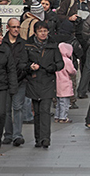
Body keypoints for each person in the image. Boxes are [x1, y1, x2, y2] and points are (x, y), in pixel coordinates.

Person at [24, 21, 64, 149]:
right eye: (40, 31)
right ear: (35, 32)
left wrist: (52, 67)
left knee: (45, 110)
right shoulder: (28, 45)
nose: (43, 33)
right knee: (37, 112)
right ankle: (38, 138)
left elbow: (60, 63)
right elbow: (22, 63)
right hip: (34, 80)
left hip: (48, 80)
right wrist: (30, 67)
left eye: (45, 31)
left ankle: (46, 138)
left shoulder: (53, 45)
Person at [1, 18, 29, 147]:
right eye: (13, 27)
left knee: (18, 107)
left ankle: (17, 135)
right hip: (5, 81)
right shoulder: (2, 43)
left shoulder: (23, 44)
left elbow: (24, 62)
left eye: (18, 27)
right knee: (6, 109)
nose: (16, 29)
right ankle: (8, 135)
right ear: (8, 28)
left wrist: (20, 74)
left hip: (20, 80)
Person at [54, 42, 76, 123]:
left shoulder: (56, 60)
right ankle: (63, 117)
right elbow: (71, 71)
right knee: (65, 102)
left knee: (59, 102)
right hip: (65, 84)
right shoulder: (67, 61)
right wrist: (75, 72)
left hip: (57, 84)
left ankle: (57, 116)